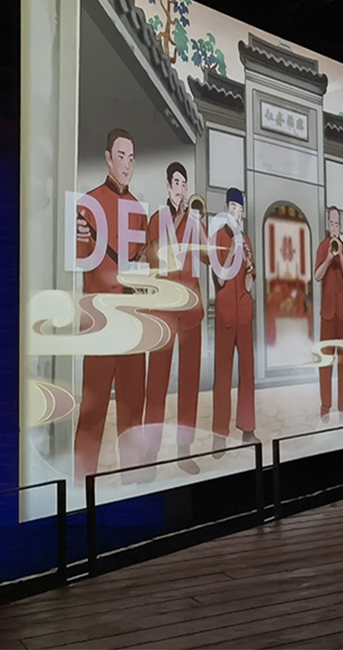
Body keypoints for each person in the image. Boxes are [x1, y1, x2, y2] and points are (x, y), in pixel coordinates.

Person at [72, 128, 148, 481]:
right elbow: (79, 259)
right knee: (93, 408)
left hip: (132, 323)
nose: (127, 164)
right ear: (107, 158)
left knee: (133, 408)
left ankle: (132, 480)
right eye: (121, 156)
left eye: (131, 158)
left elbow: (144, 264)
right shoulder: (87, 205)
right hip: (101, 323)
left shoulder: (139, 211)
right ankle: (80, 483)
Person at [140, 162, 204, 475]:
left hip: (190, 311)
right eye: (176, 183)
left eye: (184, 183)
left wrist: (197, 221)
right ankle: (150, 455)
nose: (180, 188)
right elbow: (154, 256)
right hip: (164, 310)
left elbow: (209, 255)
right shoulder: (157, 219)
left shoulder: (195, 220)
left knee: (190, 382)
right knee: (157, 383)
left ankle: (184, 451)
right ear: (168, 186)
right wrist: (180, 217)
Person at [210, 188, 257, 454]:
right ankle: (219, 435)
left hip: (244, 315)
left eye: (239, 210)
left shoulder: (247, 240)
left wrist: (248, 261)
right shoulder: (217, 238)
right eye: (232, 208)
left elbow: (249, 285)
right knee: (223, 375)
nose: (236, 213)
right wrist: (232, 250)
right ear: (225, 210)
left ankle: (248, 430)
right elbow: (219, 279)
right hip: (226, 314)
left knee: (247, 373)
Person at [312, 207, 343, 422]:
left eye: (337, 224)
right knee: (326, 361)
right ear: (328, 225)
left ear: (340, 226)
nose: (334, 227)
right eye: (332, 223)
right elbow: (317, 276)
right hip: (327, 313)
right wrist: (329, 258)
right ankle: (325, 406)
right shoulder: (322, 248)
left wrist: (341, 259)